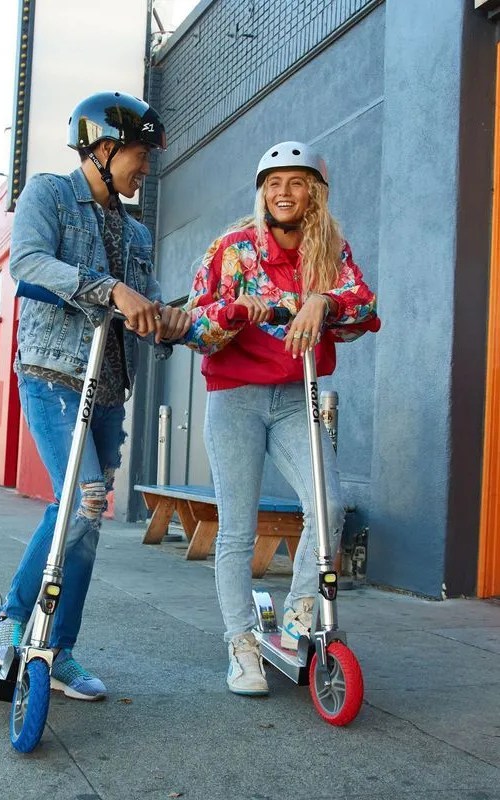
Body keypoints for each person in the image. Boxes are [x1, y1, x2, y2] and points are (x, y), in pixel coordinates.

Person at [0, 91, 190, 700]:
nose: (144, 169)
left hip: (107, 387)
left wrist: (175, 321)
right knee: (83, 498)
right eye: (139, 155)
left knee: (87, 516)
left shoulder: (135, 232)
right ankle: (11, 623)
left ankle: (59, 648)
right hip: (51, 372)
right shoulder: (48, 195)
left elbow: (147, 301)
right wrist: (109, 290)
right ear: (103, 148)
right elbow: (27, 263)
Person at [183, 141, 380, 696]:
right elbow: (196, 326)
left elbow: (364, 304)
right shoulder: (232, 247)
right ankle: (242, 645)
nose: (283, 192)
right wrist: (240, 310)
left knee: (328, 506)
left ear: (314, 192)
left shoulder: (331, 250)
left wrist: (325, 302)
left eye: (296, 182)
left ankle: (298, 613)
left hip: (298, 394)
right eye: (274, 182)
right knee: (237, 530)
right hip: (236, 397)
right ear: (261, 191)